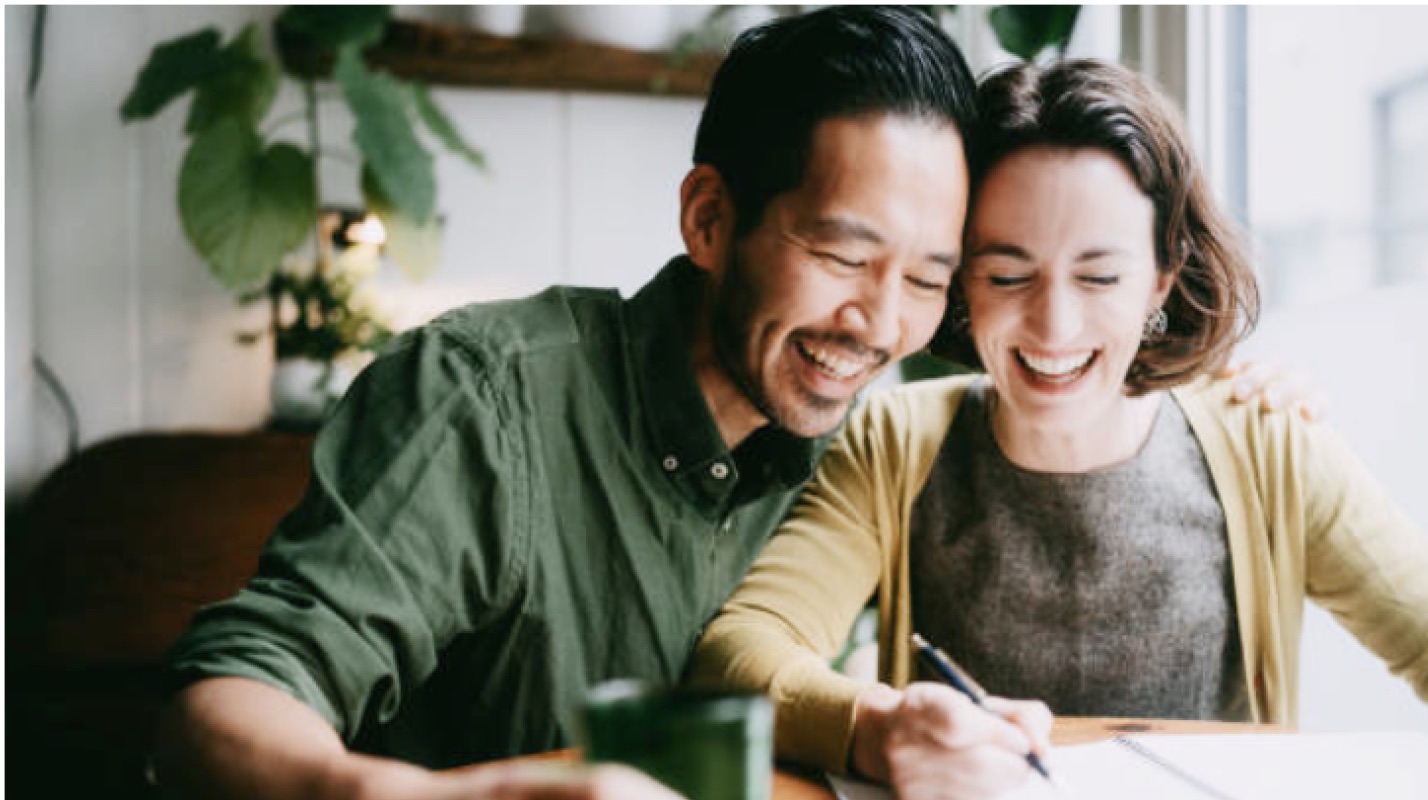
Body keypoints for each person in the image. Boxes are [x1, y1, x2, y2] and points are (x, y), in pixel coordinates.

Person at [153, 7, 1058, 800]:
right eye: (842, 257)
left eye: (927, 280)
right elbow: (230, 696)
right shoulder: (485, 396)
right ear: (709, 219)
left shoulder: (862, 438)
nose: (879, 323)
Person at [689, 58, 1428, 800]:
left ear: (1161, 280)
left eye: (1100, 277)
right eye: (1008, 275)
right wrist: (877, 726)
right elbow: (738, 654)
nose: (1054, 326)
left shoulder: (1267, 439)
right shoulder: (894, 441)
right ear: (962, 282)